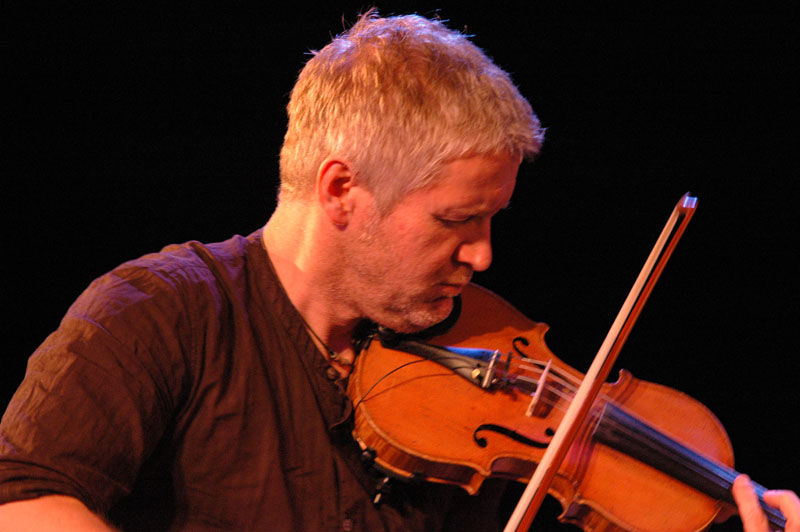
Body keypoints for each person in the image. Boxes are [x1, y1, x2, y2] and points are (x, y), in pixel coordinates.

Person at [0, 10, 797, 532]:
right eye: (455, 221)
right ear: (342, 190)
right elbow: (24, 499)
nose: (483, 255)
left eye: (491, 221)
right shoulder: (163, 312)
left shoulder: (480, 358)